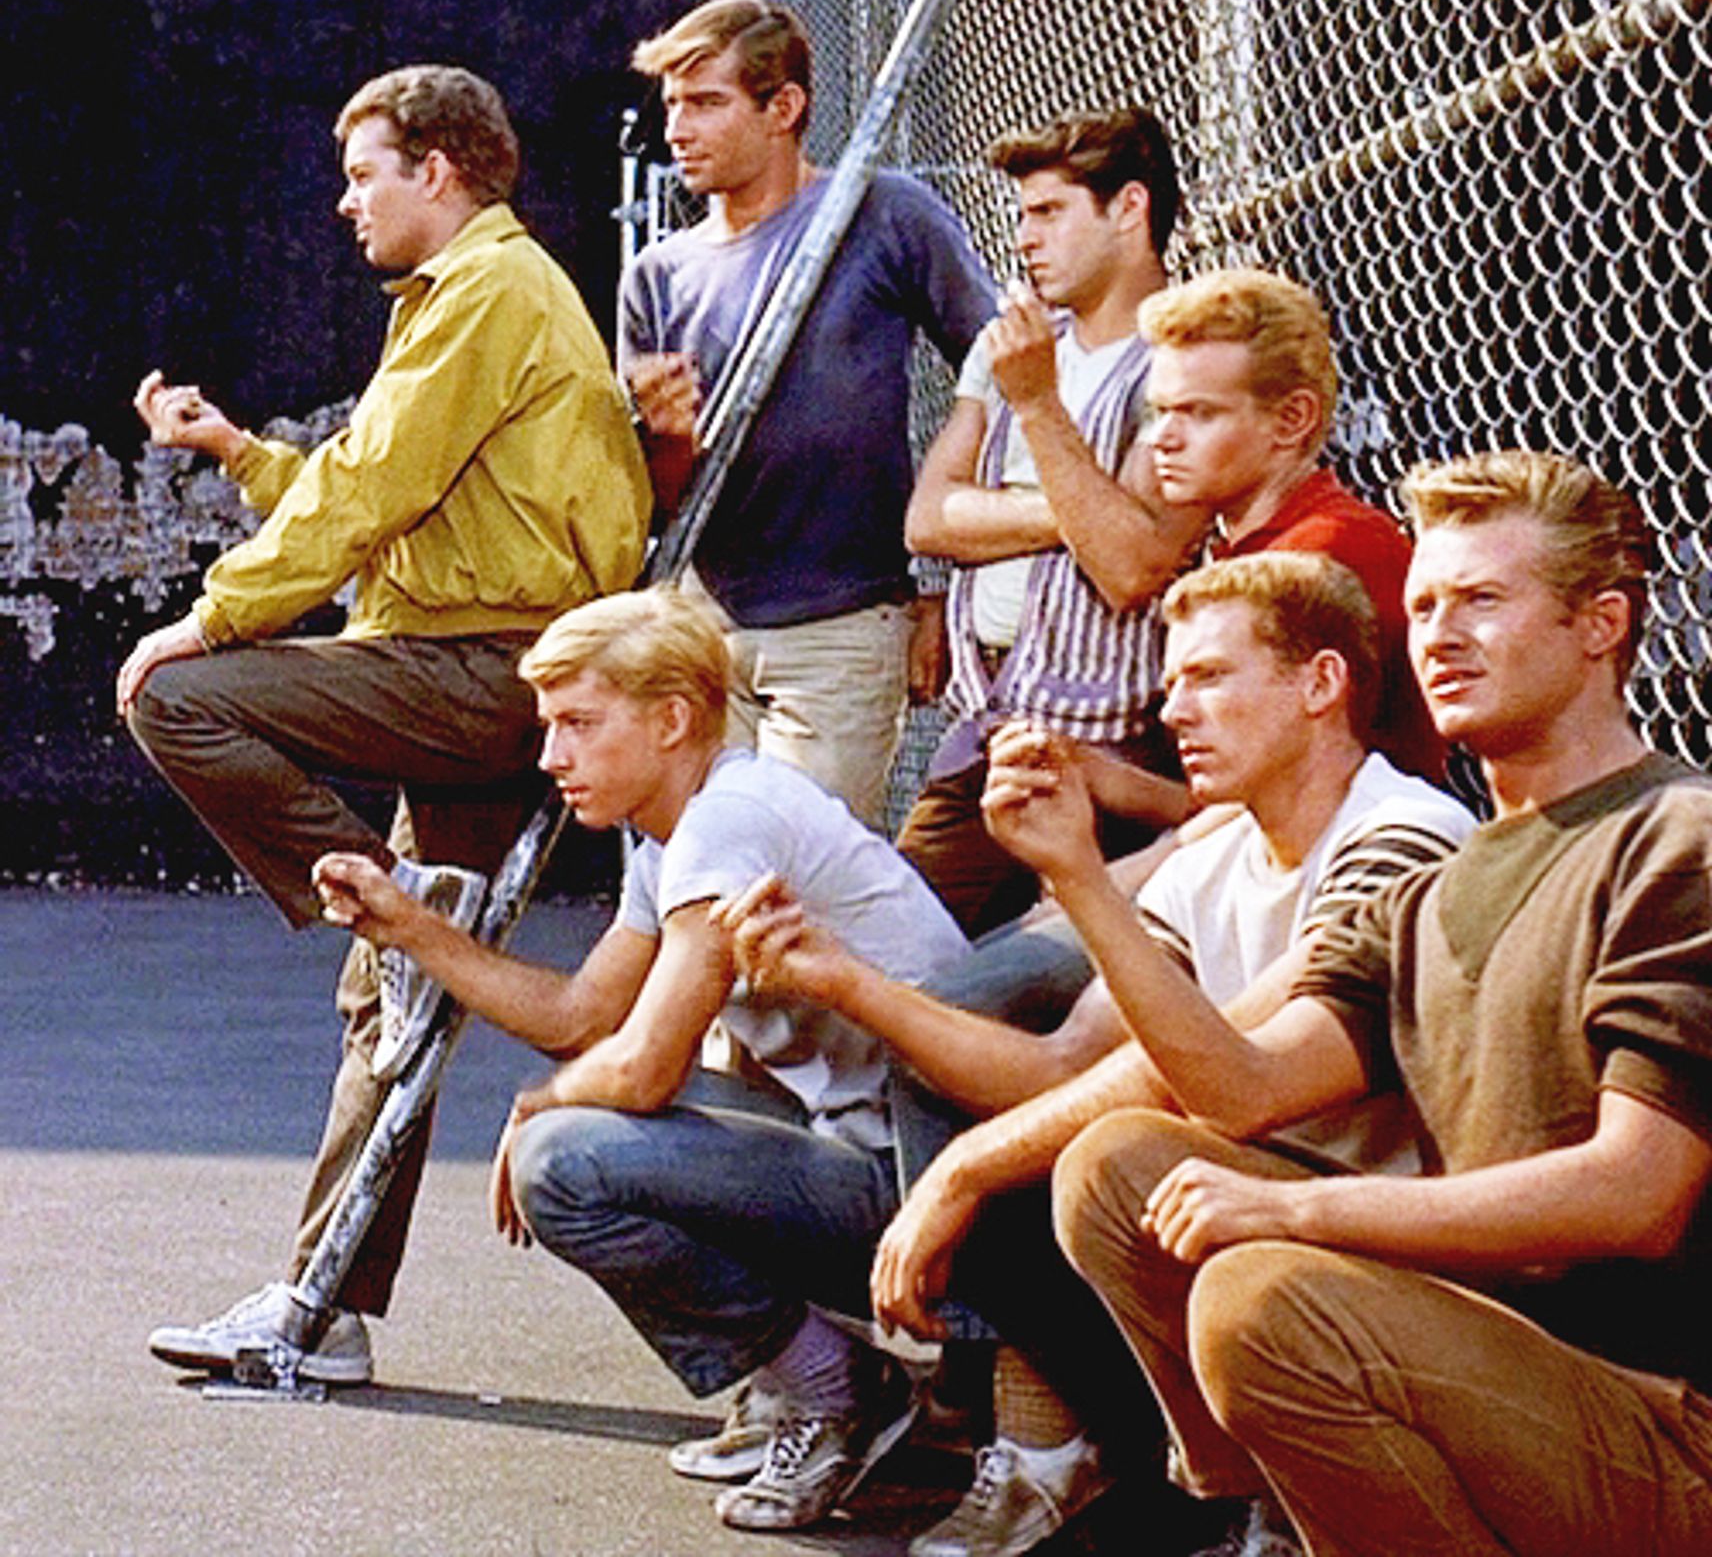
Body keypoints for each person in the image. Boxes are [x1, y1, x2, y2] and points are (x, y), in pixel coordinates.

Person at [725, 552, 1473, 1557]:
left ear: (1319, 684)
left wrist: (1076, 879)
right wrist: (845, 981)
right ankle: (1204, 1481)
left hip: (1391, 1238)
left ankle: (1262, 1497)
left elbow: (1229, 1074)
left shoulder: (1401, 832)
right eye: (1169, 683)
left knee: (1103, 1157)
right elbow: (1057, 1071)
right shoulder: (1213, 854)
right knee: (1027, 1144)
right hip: (1249, 1206)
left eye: (1208, 676)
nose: (1176, 710)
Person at [1049, 450, 1712, 1557]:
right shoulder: (1426, 894)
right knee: (1118, 1165)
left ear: (1598, 625)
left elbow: (1633, 1192)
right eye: (1422, 606)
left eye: (1482, 601)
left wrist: (1292, 1213)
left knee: (1261, 1300)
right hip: (1481, 1344)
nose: (1439, 634)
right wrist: (1076, 875)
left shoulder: (1674, 836)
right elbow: (1236, 1087)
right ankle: (1260, 1508)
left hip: (1658, 1409)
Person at [128, 65, 651, 1384]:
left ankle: (381, 895)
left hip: (485, 671)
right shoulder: (472, 296)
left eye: (366, 173)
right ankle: (327, 1308)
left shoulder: (485, 289)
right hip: (470, 659)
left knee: (176, 697)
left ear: (443, 169)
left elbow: (369, 489)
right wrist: (238, 451)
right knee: (393, 1009)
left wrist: (212, 617)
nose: (345, 201)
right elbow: (386, 494)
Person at [314, 586, 969, 1535]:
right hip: (874, 1148)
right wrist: (411, 928)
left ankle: (837, 1393)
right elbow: (584, 1015)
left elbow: (643, 1069)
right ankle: (815, 1383)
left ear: (671, 720)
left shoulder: (727, 820)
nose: (551, 756)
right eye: (550, 726)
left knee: (564, 1167)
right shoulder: (677, 829)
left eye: (579, 724)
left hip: (925, 1181)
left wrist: (540, 1108)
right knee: (578, 1133)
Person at [621, 0, 998, 828]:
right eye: (673, 105)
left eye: (708, 103)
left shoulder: (884, 214)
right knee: (707, 890)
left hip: (840, 622)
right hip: (704, 622)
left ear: (782, 108)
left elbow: (1002, 379)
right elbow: (660, 498)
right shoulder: (657, 275)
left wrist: (946, 581)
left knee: (799, 885)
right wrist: (669, 440)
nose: (679, 129)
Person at [898, 106, 1207, 937]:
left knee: (1053, 991)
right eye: (1020, 217)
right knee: (886, 948)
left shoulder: (1179, 357)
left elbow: (1131, 563)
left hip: (1106, 748)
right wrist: (1080, 504)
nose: (1027, 240)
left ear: (1130, 210)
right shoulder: (1011, 344)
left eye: (1049, 213)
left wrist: (1036, 405)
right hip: (985, 726)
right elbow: (929, 517)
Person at [1141, 267, 1442, 779]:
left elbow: (1302, 789)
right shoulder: (1239, 549)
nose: (1162, 439)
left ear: (1291, 419)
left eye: (1198, 413)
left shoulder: (1332, 550)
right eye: (1160, 411)